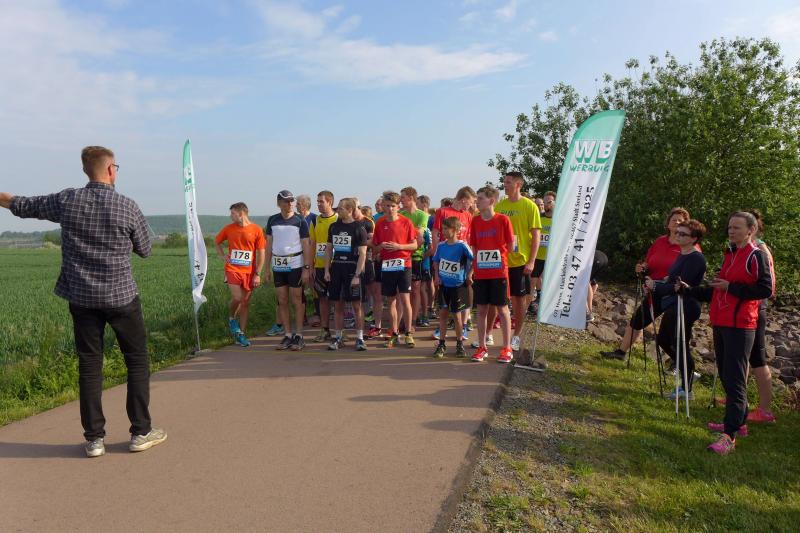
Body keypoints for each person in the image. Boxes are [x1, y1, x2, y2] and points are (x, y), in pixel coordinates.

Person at [0, 146, 166, 457]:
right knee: (136, 361)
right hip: (122, 298)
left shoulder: (67, 200)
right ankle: (141, 432)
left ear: (85, 170)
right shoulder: (127, 206)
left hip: (83, 299)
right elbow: (145, 249)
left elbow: (21, 204)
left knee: (90, 366)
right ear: (111, 170)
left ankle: (94, 440)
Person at [680, 211, 773, 455]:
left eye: (737, 227)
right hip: (721, 321)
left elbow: (766, 289)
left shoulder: (756, 255)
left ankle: (729, 436)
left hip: (741, 325)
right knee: (725, 374)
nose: (731, 231)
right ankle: (739, 423)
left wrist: (730, 287)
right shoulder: (730, 253)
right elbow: (717, 291)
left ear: (751, 230)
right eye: (730, 227)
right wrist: (689, 290)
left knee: (734, 379)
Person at [601, 207, 691, 361]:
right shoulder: (660, 241)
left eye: (680, 221)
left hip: (675, 294)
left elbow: (692, 270)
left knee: (673, 330)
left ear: (686, 225)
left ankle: (678, 364)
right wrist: (642, 268)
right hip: (654, 290)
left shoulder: (688, 245)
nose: (676, 223)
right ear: (668, 223)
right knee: (637, 320)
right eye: (674, 220)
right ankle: (621, 352)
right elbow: (649, 262)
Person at [651, 220, 707, 398]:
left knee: (680, 344)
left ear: (694, 238)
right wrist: (660, 282)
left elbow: (680, 287)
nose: (677, 235)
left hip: (686, 306)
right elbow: (672, 281)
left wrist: (656, 286)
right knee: (663, 340)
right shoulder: (682, 254)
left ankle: (686, 389)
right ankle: (688, 371)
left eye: (683, 234)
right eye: (677, 232)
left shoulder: (696, 258)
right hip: (674, 304)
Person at [494, 172, 541, 352]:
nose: (504, 185)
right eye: (504, 182)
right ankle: (492, 334)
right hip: (500, 260)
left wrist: (531, 261)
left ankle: (517, 335)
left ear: (518, 184)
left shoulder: (530, 206)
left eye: (508, 182)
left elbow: (536, 236)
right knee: (498, 299)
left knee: (519, 300)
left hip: (520, 260)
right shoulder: (500, 206)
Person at [468, 186, 515, 364]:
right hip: (481, 272)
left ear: (491, 201)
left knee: (502, 309)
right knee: (481, 310)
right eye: (477, 198)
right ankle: (482, 347)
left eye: (480, 198)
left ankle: (507, 348)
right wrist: (475, 266)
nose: (477, 201)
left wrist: (498, 257)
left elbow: (510, 245)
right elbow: (474, 245)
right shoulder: (475, 221)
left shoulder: (503, 220)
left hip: (499, 271)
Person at [264, 190, 312, 351]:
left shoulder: (300, 220)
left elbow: (306, 245)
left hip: (295, 263)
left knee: (297, 299)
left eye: (292, 201)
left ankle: (299, 335)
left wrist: (306, 268)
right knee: (282, 299)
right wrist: (266, 268)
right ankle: (288, 334)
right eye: (286, 201)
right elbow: (268, 245)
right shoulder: (272, 220)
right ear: (279, 203)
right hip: (278, 264)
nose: (290, 203)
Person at [742, 209, 777, 423]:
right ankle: (739, 398)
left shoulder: (760, 248)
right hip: (746, 306)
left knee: (757, 357)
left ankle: (765, 410)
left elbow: (769, 286)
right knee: (744, 355)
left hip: (756, 307)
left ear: (752, 228)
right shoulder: (746, 248)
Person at [215, 202, 266, 347]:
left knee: (245, 303)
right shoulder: (228, 228)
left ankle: (241, 334)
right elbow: (217, 241)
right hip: (232, 268)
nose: (230, 216)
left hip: (249, 272)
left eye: (232, 213)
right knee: (237, 297)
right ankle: (231, 318)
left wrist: (258, 274)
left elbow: (261, 253)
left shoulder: (256, 229)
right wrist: (222, 256)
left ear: (241, 213)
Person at [373, 191, 418, 348]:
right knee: (390, 301)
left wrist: (399, 246)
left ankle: (409, 333)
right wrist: (380, 247)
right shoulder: (380, 223)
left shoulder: (406, 222)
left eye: (393, 206)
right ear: (383, 206)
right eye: (387, 206)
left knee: (405, 299)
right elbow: (375, 248)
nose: (390, 209)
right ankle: (393, 333)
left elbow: (414, 245)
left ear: (398, 207)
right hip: (387, 266)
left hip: (404, 264)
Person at [432, 186, 477, 340]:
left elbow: (469, 236)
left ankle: (463, 325)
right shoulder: (443, 211)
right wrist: (436, 252)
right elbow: (436, 233)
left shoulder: (468, 215)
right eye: (471, 202)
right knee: (444, 290)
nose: (471, 205)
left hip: (462, 256)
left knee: (464, 289)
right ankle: (442, 326)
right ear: (463, 200)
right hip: (445, 254)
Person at [324, 198, 369, 351]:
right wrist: (326, 270)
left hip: (352, 268)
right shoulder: (333, 227)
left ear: (350, 210)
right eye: (338, 208)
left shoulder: (359, 228)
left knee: (357, 305)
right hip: (336, 268)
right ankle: (338, 337)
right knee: (338, 304)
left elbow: (363, 254)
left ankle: (360, 338)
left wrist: (357, 275)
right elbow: (328, 250)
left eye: (341, 209)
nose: (338, 211)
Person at [432, 217, 473, 358]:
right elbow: (436, 261)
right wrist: (437, 276)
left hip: (458, 286)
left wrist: (469, 274)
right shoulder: (441, 246)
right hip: (444, 286)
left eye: (445, 229)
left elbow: (474, 259)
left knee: (457, 316)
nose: (443, 231)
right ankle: (441, 344)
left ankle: (460, 343)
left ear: (455, 230)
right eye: (442, 228)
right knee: (443, 314)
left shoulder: (462, 246)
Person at [309, 191, 338, 342]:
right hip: (320, 265)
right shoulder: (315, 220)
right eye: (318, 201)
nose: (318, 204)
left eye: (321, 201)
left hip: (337, 265)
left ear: (330, 202)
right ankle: (325, 330)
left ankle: (340, 331)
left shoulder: (338, 219)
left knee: (338, 300)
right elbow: (312, 244)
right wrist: (310, 266)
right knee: (322, 299)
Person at [399, 186, 429, 330]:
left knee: (416, 289)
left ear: (411, 198)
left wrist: (409, 248)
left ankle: (413, 320)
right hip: (403, 255)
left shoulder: (422, 215)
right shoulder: (401, 214)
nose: (400, 200)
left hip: (416, 255)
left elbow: (419, 237)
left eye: (403, 197)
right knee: (404, 290)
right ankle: (403, 318)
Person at [531, 191, 555, 315]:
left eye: (549, 202)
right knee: (532, 282)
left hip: (551, 258)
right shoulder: (539, 217)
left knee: (547, 282)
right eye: (544, 202)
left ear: (555, 202)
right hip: (537, 256)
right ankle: (528, 306)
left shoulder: (559, 219)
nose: (546, 204)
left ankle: (548, 309)